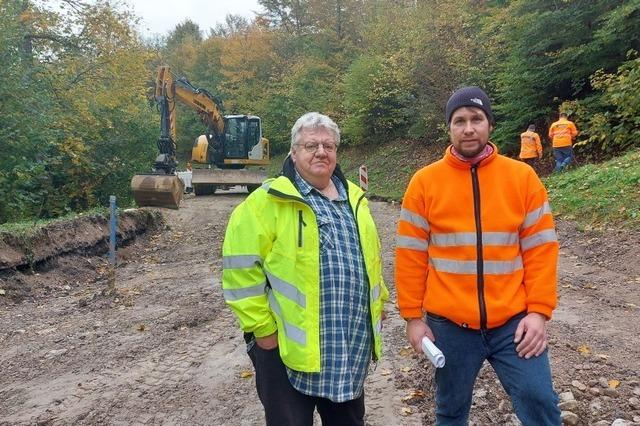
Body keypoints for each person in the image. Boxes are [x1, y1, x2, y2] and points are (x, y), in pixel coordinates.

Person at [395, 86, 561, 425]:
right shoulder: (424, 183)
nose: (468, 127)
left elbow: (541, 249)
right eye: (459, 121)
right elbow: (410, 255)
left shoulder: (522, 177)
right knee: (451, 410)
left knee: (539, 400)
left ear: (489, 125)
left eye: (476, 119)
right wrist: (413, 317)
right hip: (450, 326)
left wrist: (539, 313)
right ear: (449, 128)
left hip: (513, 323)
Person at [222, 112, 388, 426]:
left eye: (328, 145)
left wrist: (379, 306)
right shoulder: (265, 204)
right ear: (293, 153)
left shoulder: (356, 200)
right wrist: (263, 332)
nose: (321, 152)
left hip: (346, 346)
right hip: (286, 351)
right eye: (311, 145)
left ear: (337, 153)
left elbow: (371, 261)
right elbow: (240, 274)